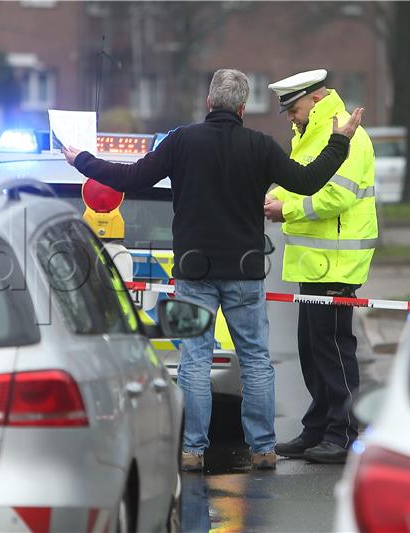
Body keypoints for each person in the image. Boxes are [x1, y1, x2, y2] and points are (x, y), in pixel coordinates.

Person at [63, 68, 364, 472]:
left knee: (194, 361)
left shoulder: (182, 141)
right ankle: (263, 448)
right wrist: (339, 141)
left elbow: (132, 178)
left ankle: (192, 450)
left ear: (209, 103)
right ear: (243, 107)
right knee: (255, 360)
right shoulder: (260, 146)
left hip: (194, 271)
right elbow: (307, 182)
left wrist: (81, 160)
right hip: (244, 271)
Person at [264, 69, 377, 464]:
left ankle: (343, 433)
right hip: (315, 263)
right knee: (313, 352)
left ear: (315, 100)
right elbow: (297, 182)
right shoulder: (310, 137)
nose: (291, 117)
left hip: (337, 262)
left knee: (333, 352)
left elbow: (334, 198)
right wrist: (269, 198)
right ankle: (317, 428)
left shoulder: (349, 136)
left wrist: (285, 210)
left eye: (293, 108)